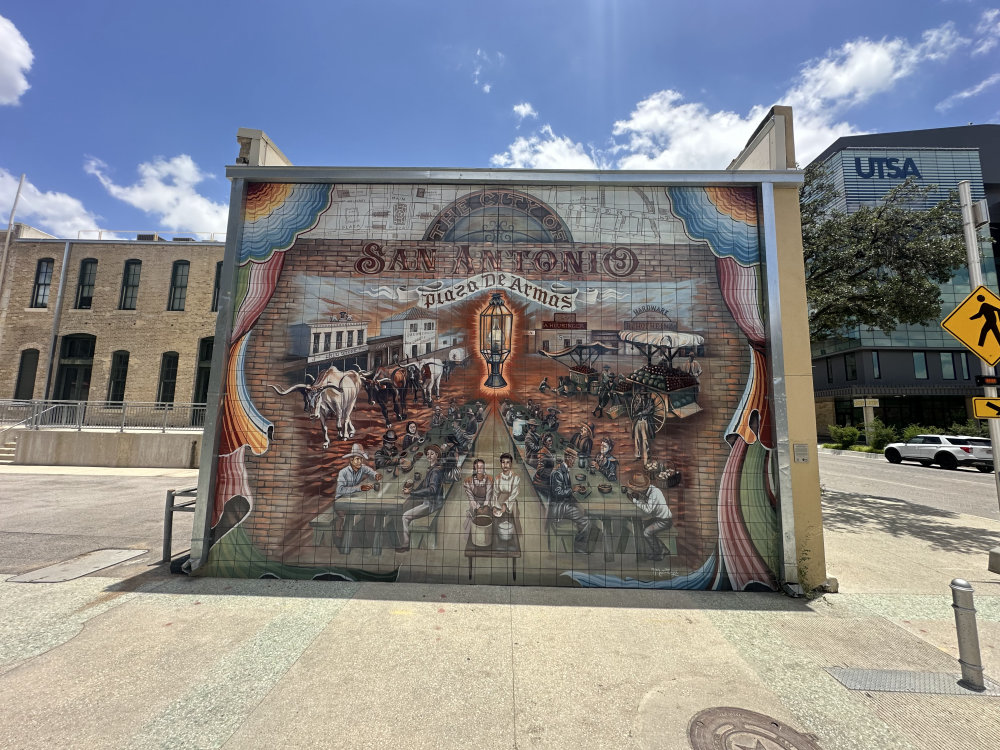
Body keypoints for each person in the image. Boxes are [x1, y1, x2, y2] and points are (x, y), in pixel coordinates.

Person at [397, 443, 444, 552]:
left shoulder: (435, 471)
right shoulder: (432, 468)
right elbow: (424, 486)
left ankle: (405, 544)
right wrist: (412, 491)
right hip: (431, 501)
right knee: (408, 505)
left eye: (432, 454)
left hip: (431, 504)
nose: (428, 456)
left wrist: (412, 492)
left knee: (404, 516)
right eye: (427, 454)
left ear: (437, 455)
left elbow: (432, 490)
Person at [548, 446, 592, 553]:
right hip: (559, 508)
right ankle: (579, 548)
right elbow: (558, 493)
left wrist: (573, 489)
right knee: (586, 521)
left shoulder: (563, 469)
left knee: (583, 512)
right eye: (574, 459)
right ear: (569, 458)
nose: (574, 462)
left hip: (563, 503)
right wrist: (572, 490)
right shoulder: (558, 473)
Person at [625, 471, 672, 561]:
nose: (635, 490)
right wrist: (638, 496)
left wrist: (634, 500)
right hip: (657, 518)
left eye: (636, 489)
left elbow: (648, 509)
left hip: (664, 520)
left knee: (646, 532)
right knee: (643, 524)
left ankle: (659, 553)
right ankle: (663, 549)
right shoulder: (649, 490)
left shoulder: (654, 493)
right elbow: (647, 502)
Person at [462, 458, 495, 538]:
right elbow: (471, 498)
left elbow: (489, 495)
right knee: (471, 521)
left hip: (487, 504)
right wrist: (477, 508)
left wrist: (485, 507)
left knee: (490, 520)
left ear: (484, 468)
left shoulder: (489, 480)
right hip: (474, 504)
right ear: (474, 469)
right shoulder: (468, 481)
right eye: (477, 467)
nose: (479, 468)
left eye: (481, 467)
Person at [494, 452, 520, 518]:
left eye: (508, 462)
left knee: (514, 521)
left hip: (511, 501)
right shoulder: (498, 478)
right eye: (503, 462)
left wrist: (505, 505)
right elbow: (495, 493)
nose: (505, 465)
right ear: (501, 464)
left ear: (511, 464)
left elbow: (514, 493)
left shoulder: (515, 477)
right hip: (500, 501)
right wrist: (494, 506)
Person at [632, 394, 655, 464]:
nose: (643, 396)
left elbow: (649, 409)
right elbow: (635, 409)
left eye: (644, 394)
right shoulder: (638, 401)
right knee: (637, 438)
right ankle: (638, 455)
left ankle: (647, 460)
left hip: (645, 421)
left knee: (645, 440)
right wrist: (639, 402)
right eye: (641, 394)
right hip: (638, 420)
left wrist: (641, 412)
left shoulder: (650, 401)